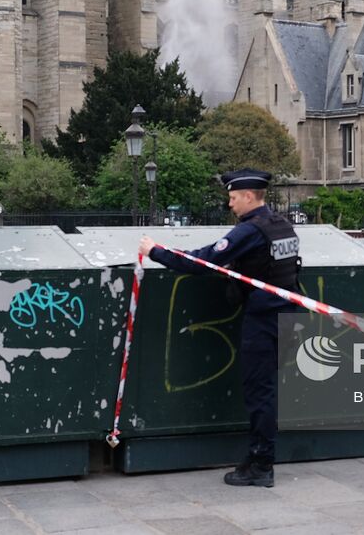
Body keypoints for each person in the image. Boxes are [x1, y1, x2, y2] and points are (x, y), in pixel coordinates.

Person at [138, 168, 300, 488]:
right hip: (286, 315)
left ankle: (261, 463)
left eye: (234, 197)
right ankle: (259, 457)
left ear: (250, 197)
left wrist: (155, 251)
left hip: (264, 320)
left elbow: (202, 261)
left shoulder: (249, 231)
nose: (230, 204)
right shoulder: (282, 225)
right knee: (267, 391)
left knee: (260, 394)